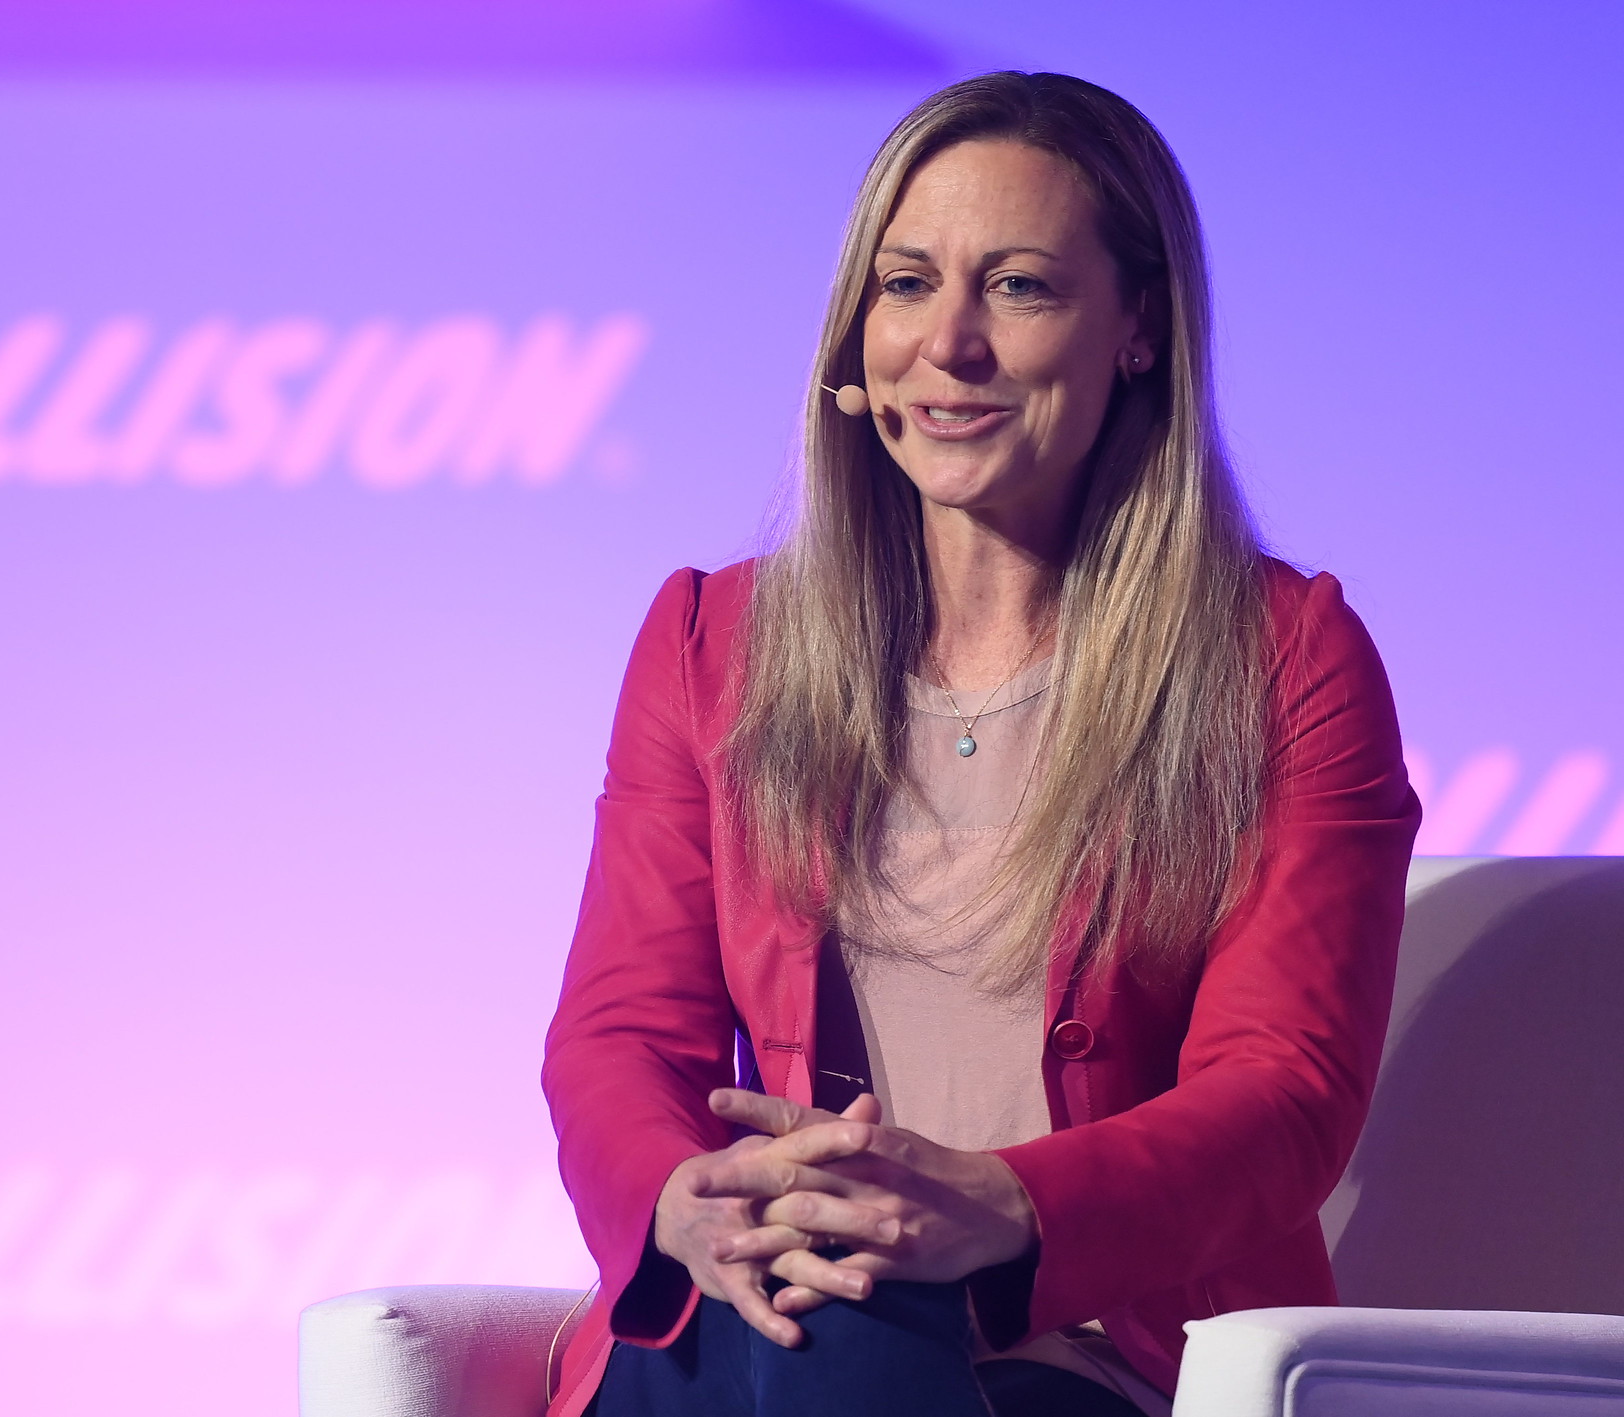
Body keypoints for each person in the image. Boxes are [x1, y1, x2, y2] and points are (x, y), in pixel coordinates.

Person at [539, 70, 1420, 1417]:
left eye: (1016, 287)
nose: (947, 342)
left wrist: (1000, 1204)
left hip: (1082, 1355)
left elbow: (1283, 1090)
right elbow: (617, 1040)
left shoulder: (1284, 660)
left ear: (1137, 329)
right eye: (905, 284)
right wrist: (688, 1204)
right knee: (804, 1323)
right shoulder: (711, 644)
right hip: (750, 1323)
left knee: (848, 1324)